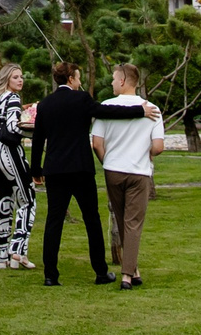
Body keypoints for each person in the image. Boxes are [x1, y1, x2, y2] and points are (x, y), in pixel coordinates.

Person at [27, 60, 150, 287]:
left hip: (55, 169)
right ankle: (101, 272)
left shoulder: (45, 104)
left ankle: (50, 274)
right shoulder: (82, 100)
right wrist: (139, 110)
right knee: (91, 219)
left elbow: (38, 139)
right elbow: (107, 111)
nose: (81, 81)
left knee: (54, 222)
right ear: (71, 79)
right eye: (78, 76)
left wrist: (36, 169)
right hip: (81, 168)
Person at [91, 62, 167, 288]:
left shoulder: (105, 107)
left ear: (123, 81)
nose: (112, 83)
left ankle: (132, 269)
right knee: (133, 223)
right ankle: (127, 274)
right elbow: (159, 146)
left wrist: (108, 161)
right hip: (138, 171)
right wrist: (148, 153)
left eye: (114, 79)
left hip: (113, 170)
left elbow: (96, 143)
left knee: (123, 219)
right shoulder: (151, 109)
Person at [0, 65, 36, 269]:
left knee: (3, 202)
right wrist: (32, 129)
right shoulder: (13, 99)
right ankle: (18, 249)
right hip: (10, 154)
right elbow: (13, 127)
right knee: (28, 201)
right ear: (7, 79)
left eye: (21, 76)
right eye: (16, 77)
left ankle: (1, 253)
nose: (20, 80)